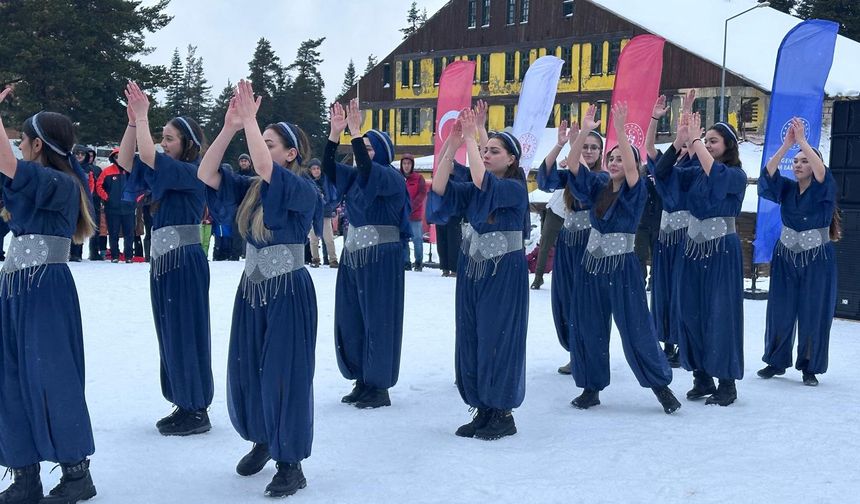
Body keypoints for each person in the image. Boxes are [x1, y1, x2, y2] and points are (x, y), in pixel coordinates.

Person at [199, 80, 317, 498]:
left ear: (291, 153)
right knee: (248, 368)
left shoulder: (303, 188)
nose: (260, 149)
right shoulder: (249, 188)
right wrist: (232, 126)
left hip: (288, 291)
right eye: (259, 141)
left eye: (269, 142)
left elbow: (266, 168)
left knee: (285, 375)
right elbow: (206, 172)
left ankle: (291, 462)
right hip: (251, 291)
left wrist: (251, 119)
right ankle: (264, 439)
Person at [0, 90, 98, 503]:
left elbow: (7, 165)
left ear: (38, 144)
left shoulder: (61, 182)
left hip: (46, 290)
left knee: (52, 377)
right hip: (14, 288)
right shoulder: (29, 183)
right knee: (10, 379)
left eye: (21, 140)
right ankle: (24, 475)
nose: (19, 148)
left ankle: (77, 474)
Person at [563, 103, 679, 414]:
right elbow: (573, 165)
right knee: (587, 325)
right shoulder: (597, 185)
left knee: (636, 327)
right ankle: (591, 387)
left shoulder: (636, 188)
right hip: (591, 266)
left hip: (622, 266)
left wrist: (623, 133)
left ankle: (660, 387)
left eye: (620, 158)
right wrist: (586, 130)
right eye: (610, 157)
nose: (614, 162)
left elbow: (631, 169)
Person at [118, 81, 214, 434]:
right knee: (170, 331)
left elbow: (146, 155)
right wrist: (132, 123)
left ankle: (197, 407)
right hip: (163, 262)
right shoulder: (166, 170)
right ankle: (182, 400)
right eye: (162, 136)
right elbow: (129, 159)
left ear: (187, 144)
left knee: (186, 330)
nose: (163, 141)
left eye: (169, 137)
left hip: (185, 262)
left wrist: (143, 118)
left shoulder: (191, 171)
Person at [427, 109, 529, 439]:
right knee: (471, 336)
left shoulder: (514, 188)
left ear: (512, 160)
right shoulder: (474, 190)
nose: (486, 155)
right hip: (472, 271)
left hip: (503, 274)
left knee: (496, 338)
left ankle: (502, 412)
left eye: (494, 151)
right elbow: (440, 186)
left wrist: (472, 138)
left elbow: (483, 179)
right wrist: (453, 142)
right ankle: (482, 407)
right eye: (485, 151)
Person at [655, 111, 746, 406]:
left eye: (713, 141)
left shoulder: (736, 176)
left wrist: (696, 142)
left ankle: (727, 383)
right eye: (706, 140)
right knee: (690, 312)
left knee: (720, 314)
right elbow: (663, 175)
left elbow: (716, 177)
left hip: (721, 250)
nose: (707, 145)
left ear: (729, 146)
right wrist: (678, 143)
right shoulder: (694, 173)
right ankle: (701, 376)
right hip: (692, 250)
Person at [323, 99, 409, 409]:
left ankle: (379, 385)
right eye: (364, 147)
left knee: (379, 319)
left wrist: (357, 131)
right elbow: (329, 167)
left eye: (371, 148)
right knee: (353, 318)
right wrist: (336, 134)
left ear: (383, 153)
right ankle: (362, 377)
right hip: (354, 255)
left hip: (381, 258)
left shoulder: (389, 176)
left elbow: (370, 168)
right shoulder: (356, 178)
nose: (364, 151)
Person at [757, 117, 839, 387]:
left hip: (817, 257)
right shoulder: (788, 189)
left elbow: (822, 173)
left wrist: (803, 142)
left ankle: (809, 366)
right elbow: (768, 174)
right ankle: (776, 361)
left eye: (805, 161)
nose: (799, 164)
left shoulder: (824, 187)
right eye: (796, 161)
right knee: (780, 308)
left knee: (813, 311)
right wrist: (787, 146)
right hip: (786, 256)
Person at [537, 123, 605, 376]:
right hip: (568, 241)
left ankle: (589, 353)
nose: (587, 150)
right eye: (584, 146)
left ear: (601, 152)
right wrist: (560, 144)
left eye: (592, 147)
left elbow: (586, 186)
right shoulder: (570, 175)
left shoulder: (603, 178)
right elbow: (545, 179)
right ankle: (575, 350)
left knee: (587, 300)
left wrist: (575, 152)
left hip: (590, 244)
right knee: (565, 297)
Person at [646, 92, 694, 368]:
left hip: (687, 236)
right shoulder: (668, 165)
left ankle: (682, 339)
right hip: (665, 235)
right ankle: (666, 341)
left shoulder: (698, 165)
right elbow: (649, 147)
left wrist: (687, 112)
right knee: (662, 288)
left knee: (680, 290)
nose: (684, 143)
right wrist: (654, 118)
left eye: (688, 140)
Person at [96, 148, 136, 263]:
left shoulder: (132, 171)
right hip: (112, 209)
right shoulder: (107, 171)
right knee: (113, 233)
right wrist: (107, 198)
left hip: (129, 208)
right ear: (113, 158)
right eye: (117, 156)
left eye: (122, 156)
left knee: (129, 234)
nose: (119, 158)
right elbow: (99, 186)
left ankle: (129, 256)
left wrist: (135, 199)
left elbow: (141, 186)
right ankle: (115, 256)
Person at [306, 158, 339, 268]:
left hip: (325, 212)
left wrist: (329, 205)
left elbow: (334, 196)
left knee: (329, 238)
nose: (316, 171)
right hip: (312, 213)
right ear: (310, 170)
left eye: (318, 168)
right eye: (313, 169)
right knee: (313, 239)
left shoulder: (327, 181)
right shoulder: (308, 181)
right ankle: (315, 259)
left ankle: (333, 259)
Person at [71, 144, 101, 262]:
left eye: (82, 154)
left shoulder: (90, 169)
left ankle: (77, 253)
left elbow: (92, 186)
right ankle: (68, 252)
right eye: (77, 153)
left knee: (80, 227)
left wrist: (86, 198)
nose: (79, 156)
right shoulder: (69, 167)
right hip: (70, 200)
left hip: (84, 201)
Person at [401, 153, 427, 271]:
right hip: (402, 215)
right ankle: (406, 261)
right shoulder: (398, 177)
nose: (406, 166)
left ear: (412, 165)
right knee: (404, 239)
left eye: (409, 163)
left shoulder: (419, 178)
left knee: (417, 239)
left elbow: (422, 194)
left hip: (415, 215)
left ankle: (418, 262)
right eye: (404, 163)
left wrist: (411, 207)